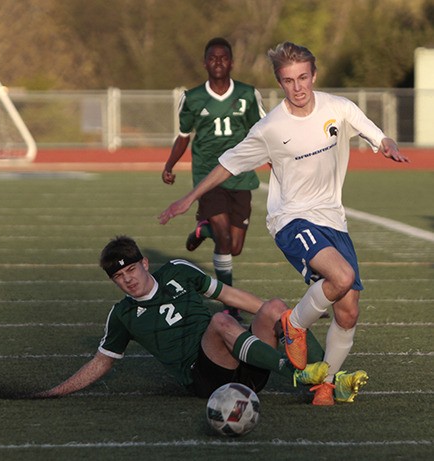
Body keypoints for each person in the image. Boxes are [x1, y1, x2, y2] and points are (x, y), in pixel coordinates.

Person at [159, 41, 408, 405]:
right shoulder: (271, 127)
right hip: (291, 217)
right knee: (340, 278)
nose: (298, 87)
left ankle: (324, 384)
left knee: (349, 308)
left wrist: (385, 141)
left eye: (303, 77)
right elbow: (228, 164)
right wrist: (190, 197)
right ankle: (294, 324)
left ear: (314, 75)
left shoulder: (337, 108)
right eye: (289, 81)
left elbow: (370, 129)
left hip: (332, 219)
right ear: (280, 82)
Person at [35, 236, 367, 403]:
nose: (128, 280)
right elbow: (101, 362)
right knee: (221, 322)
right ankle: (297, 374)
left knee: (278, 307)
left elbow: (232, 296)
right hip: (206, 378)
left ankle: (326, 382)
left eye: (132, 269)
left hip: (243, 361)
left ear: (145, 263)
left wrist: (285, 315)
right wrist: (57, 391)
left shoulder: (178, 271)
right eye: (119, 276)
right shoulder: (122, 315)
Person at [162, 37, 265, 322]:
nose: (218, 62)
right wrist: (169, 165)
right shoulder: (192, 97)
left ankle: (202, 231)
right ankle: (230, 304)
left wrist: (278, 158)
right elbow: (184, 136)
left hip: (241, 175)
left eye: (223, 58)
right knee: (223, 238)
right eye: (213, 58)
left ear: (231, 62)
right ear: (205, 62)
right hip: (208, 176)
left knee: (234, 247)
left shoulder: (247, 95)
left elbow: (264, 130)